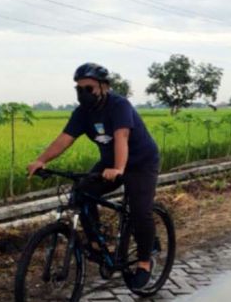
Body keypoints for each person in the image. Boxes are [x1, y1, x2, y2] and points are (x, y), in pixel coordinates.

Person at [26, 63, 160, 289]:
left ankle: (145, 262)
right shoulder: (82, 113)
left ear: (104, 87)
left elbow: (121, 137)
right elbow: (65, 139)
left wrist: (119, 169)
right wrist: (41, 160)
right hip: (110, 161)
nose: (83, 94)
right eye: (79, 89)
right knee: (81, 193)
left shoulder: (119, 105)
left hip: (140, 163)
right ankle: (98, 245)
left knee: (140, 211)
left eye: (89, 88)